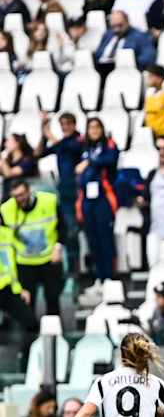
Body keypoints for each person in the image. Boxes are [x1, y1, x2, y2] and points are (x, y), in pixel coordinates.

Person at [2, 180, 63, 318]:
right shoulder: (6, 210)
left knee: (53, 298)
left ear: (29, 190)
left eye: (22, 194)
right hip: (25, 262)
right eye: (16, 196)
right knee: (28, 301)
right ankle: (31, 335)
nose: (20, 199)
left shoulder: (48, 201)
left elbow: (62, 227)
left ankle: (54, 331)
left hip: (49, 258)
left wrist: (58, 247)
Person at [77, 117, 120, 285]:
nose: (94, 130)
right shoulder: (85, 147)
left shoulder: (109, 144)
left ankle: (109, 276)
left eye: (97, 127)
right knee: (92, 239)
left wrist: (89, 162)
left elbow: (110, 160)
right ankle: (98, 277)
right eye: (90, 127)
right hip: (87, 198)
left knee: (105, 237)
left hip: (104, 197)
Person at [38, 113, 83, 268]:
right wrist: (43, 130)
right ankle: (72, 268)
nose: (65, 127)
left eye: (68, 124)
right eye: (62, 124)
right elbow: (40, 153)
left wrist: (49, 133)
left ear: (74, 124)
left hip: (76, 190)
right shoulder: (62, 143)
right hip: (64, 190)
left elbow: (65, 147)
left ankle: (77, 268)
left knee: (74, 230)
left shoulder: (79, 140)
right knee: (68, 230)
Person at [0, 222, 35, 331]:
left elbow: (21, 259)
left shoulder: (8, 234)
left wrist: (21, 289)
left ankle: (29, 348)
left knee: (31, 323)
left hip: (7, 289)